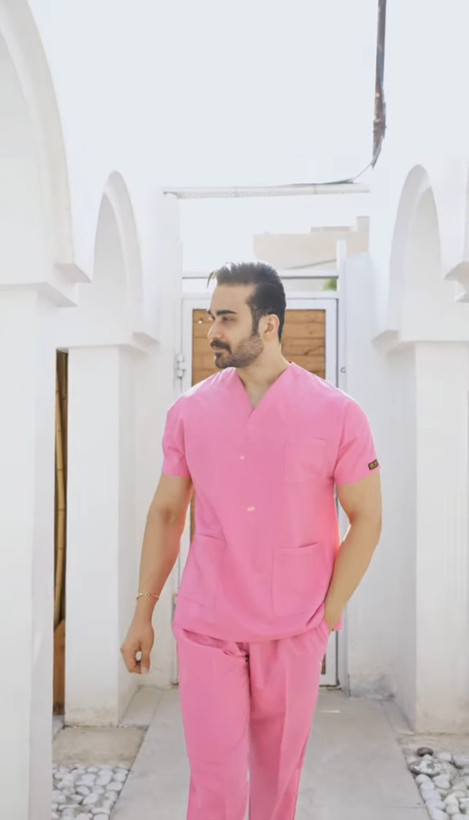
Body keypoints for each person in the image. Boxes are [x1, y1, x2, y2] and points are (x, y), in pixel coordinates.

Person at [121, 261, 382, 819]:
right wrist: (143, 613)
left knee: (277, 782)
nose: (212, 331)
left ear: (269, 323)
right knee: (214, 782)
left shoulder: (339, 414)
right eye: (210, 317)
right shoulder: (190, 412)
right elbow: (167, 513)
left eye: (226, 318)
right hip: (208, 623)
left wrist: (328, 614)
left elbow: (366, 518)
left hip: (294, 625)